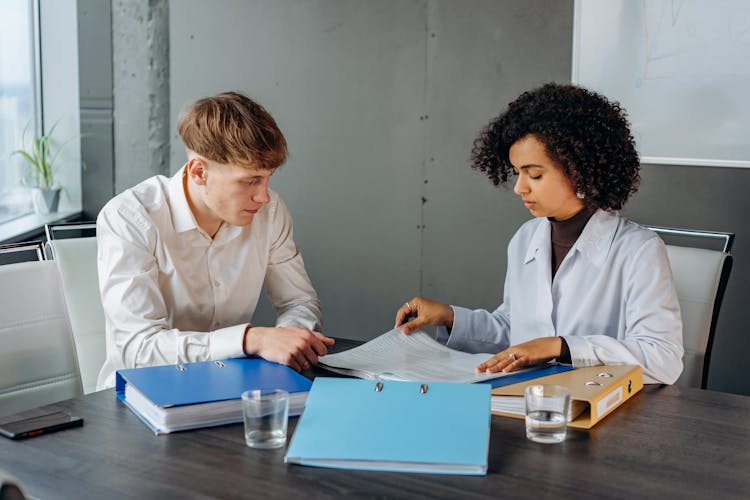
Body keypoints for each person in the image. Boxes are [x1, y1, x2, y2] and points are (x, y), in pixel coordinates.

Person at [395, 83, 683, 384]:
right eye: (517, 173)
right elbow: (515, 333)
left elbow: (662, 358)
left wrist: (562, 346)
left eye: (534, 175)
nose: (520, 188)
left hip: (603, 412)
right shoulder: (525, 239)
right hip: (532, 401)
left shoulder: (639, 250)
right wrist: (451, 317)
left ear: (579, 170)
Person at [96, 91, 333, 389]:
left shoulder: (269, 212)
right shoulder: (130, 218)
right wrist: (250, 339)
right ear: (199, 172)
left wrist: (288, 341)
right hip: (141, 396)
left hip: (232, 386)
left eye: (268, 177)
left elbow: (299, 301)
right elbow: (138, 350)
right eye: (250, 180)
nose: (264, 196)